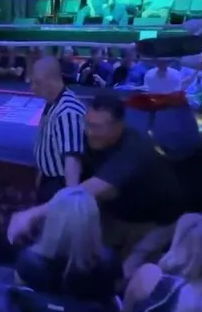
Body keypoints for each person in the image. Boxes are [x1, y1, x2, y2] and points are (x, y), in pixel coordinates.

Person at [13, 94, 183, 275]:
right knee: (84, 254)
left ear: (118, 127)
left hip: (157, 221)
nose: (90, 132)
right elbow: (73, 158)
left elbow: (91, 189)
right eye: (88, 124)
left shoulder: (134, 150)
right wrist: (69, 196)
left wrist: (32, 214)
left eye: (97, 127)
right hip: (118, 210)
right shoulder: (88, 136)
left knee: (126, 272)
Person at [13, 186, 122, 306]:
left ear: (52, 219)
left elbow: (21, 292)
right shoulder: (109, 262)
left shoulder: (29, 260)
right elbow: (114, 293)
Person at [28, 57, 87, 203]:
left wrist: (70, 201)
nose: (32, 88)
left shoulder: (67, 111)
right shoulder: (53, 103)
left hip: (59, 186)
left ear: (49, 81)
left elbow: (72, 161)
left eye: (37, 83)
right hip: (49, 180)